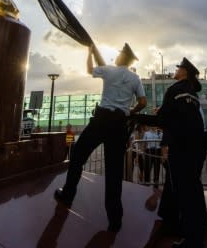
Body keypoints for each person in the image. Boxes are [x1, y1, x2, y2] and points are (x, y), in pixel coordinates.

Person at [54, 43, 147, 232]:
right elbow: (143, 102)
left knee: (78, 156)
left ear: (121, 58)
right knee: (114, 172)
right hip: (119, 123)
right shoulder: (135, 78)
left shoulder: (108, 71)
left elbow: (89, 70)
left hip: (101, 120)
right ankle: (115, 219)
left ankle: (68, 194)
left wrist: (89, 53)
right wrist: (130, 111)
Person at [157, 57, 207, 248]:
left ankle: (191, 240)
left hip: (181, 148)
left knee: (184, 193)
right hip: (196, 148)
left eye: (178, 68)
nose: (175, 70)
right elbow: (182, 119)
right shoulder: (193, 94)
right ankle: (193, 231)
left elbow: (163, 120)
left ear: (184, 72)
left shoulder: (174, 89)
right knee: (192, 190)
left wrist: (139, 117)